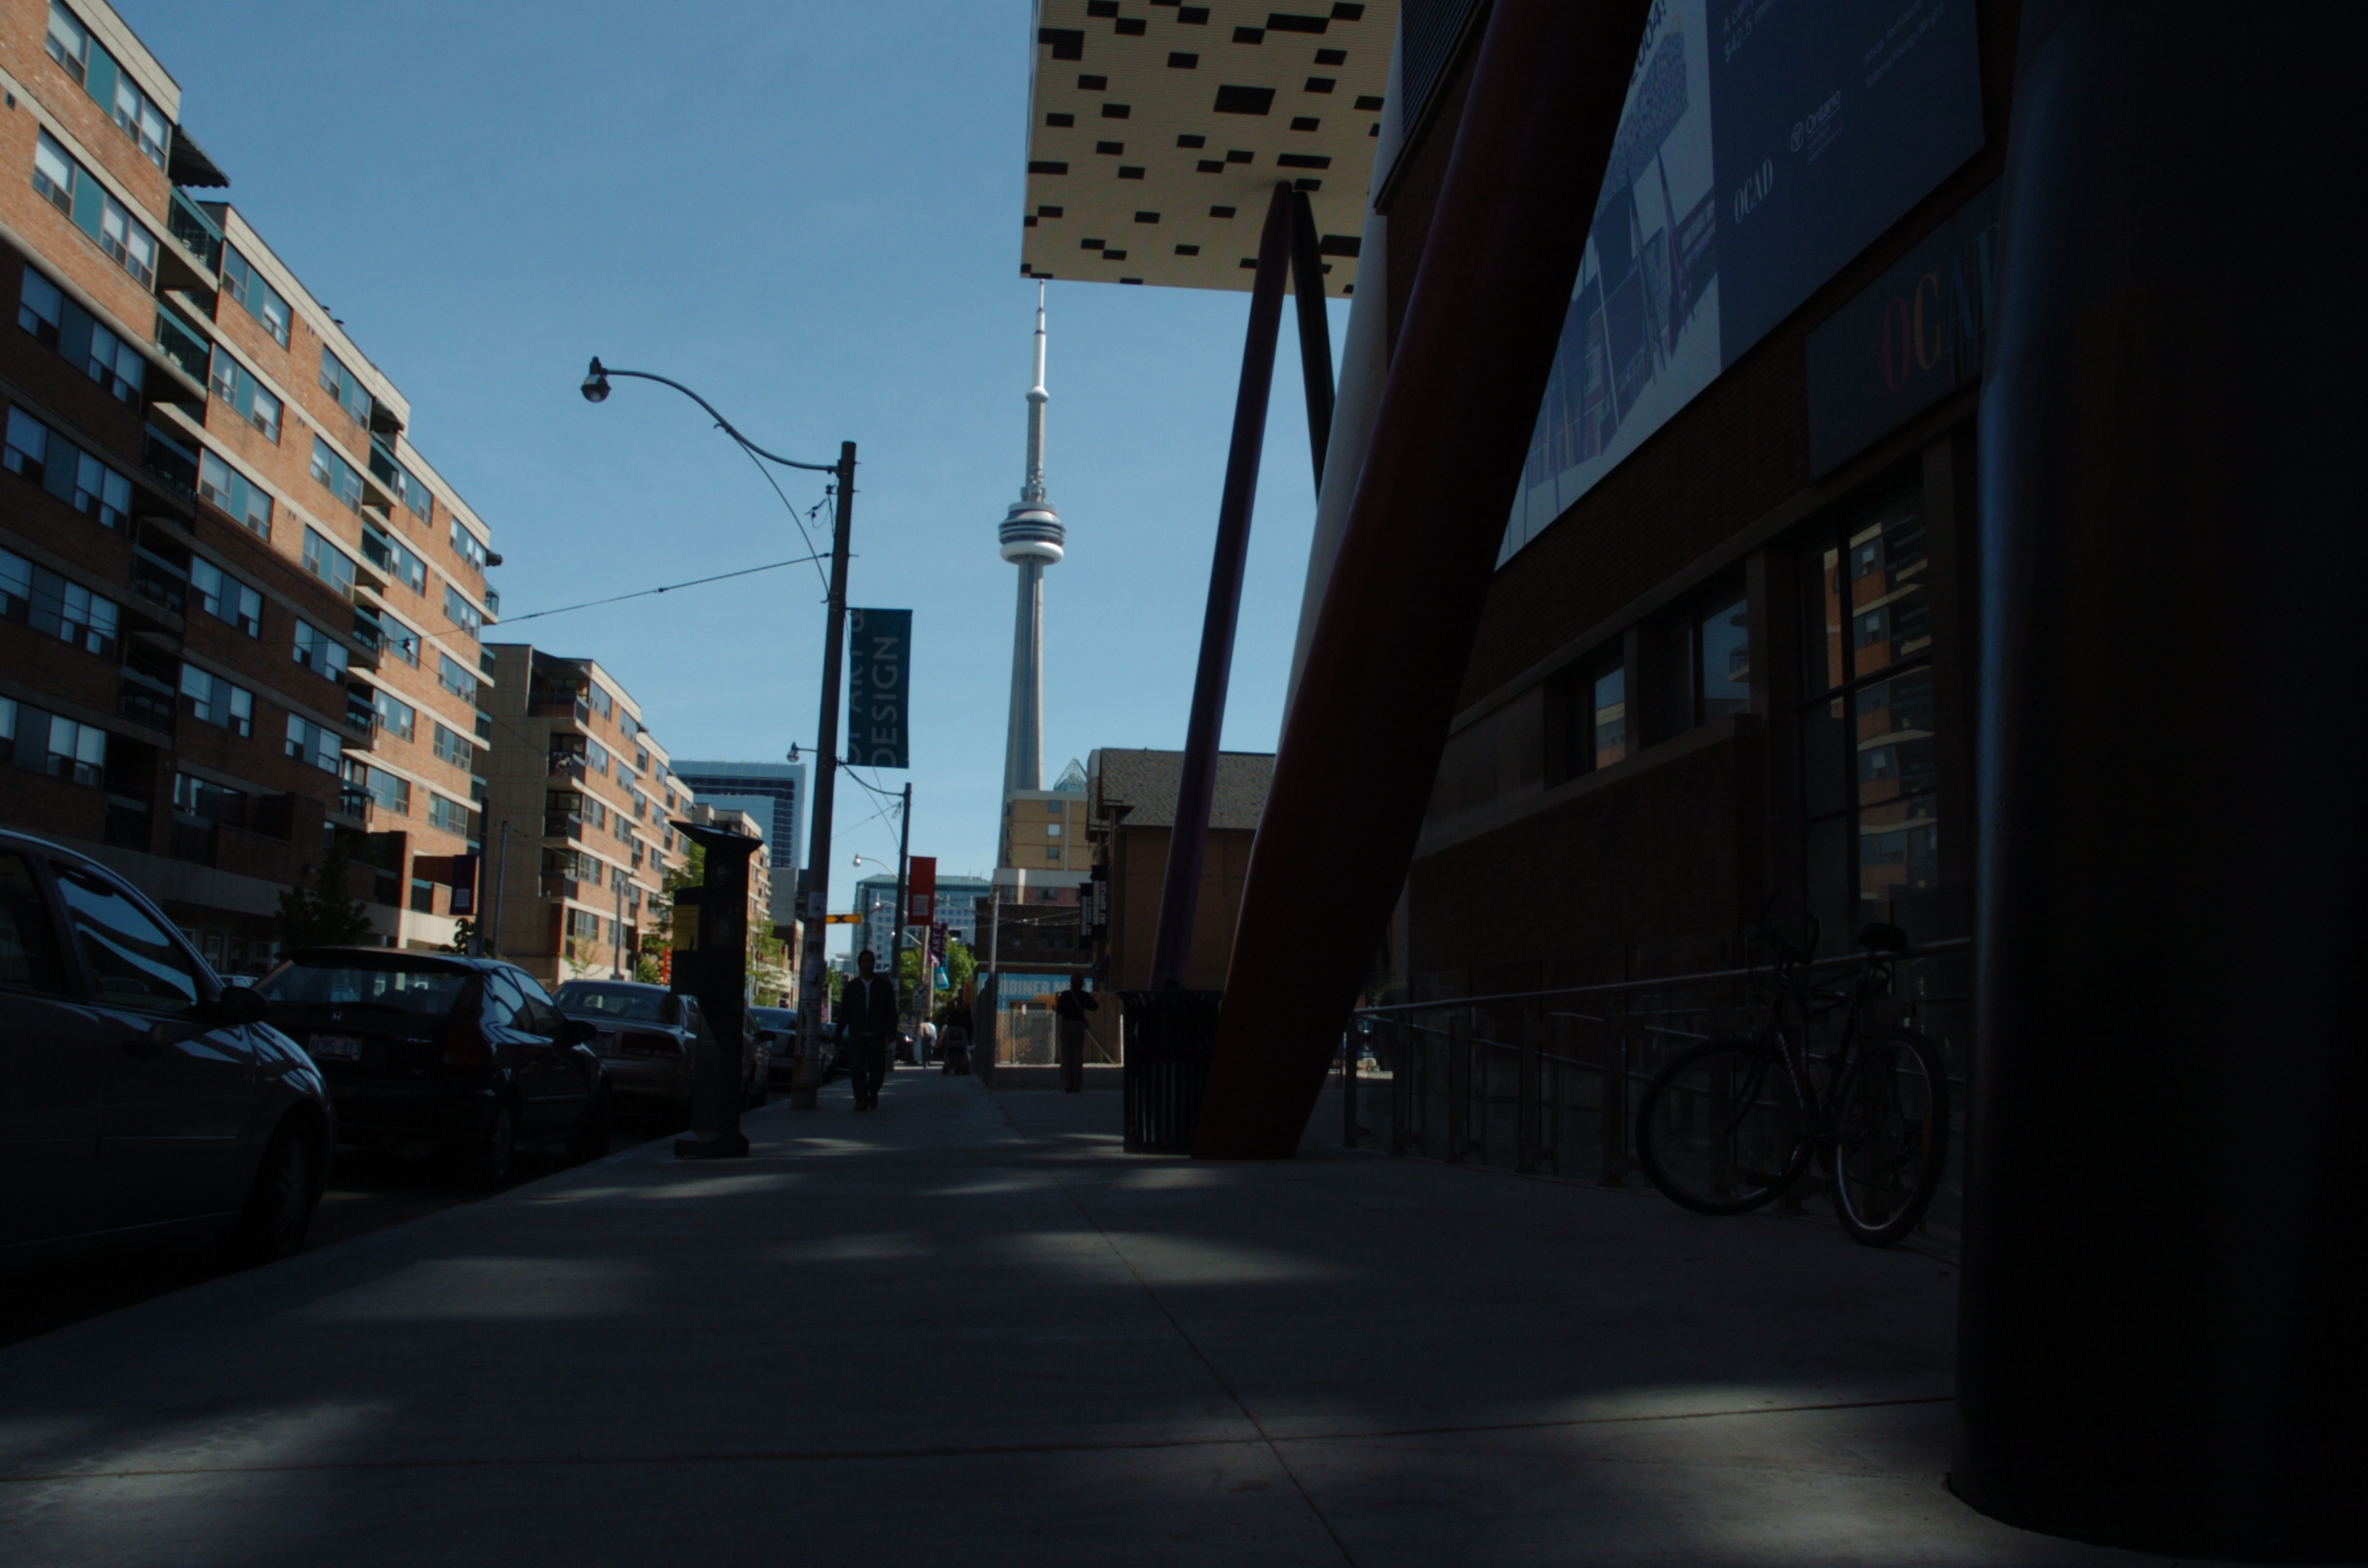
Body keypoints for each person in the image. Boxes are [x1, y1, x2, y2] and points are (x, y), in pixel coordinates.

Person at [839, 948, 897, 1111]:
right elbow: (844, 1012)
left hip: (877, 1034)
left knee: (878, 1069)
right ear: (859, 964)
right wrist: (838, 1034)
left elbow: (891, 1010)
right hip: (857, 1034)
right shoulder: (852, 986)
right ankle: (861, 1099)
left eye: (870, 961)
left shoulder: (883, 985)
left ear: (874, 963)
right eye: (864, 961)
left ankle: (873, 1091)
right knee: (857, 1068)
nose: (867, 963)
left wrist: (892, 1030)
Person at [1054, 972, 1098, 1093]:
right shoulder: (1084, 995)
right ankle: (1077, 1085)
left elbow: (1059, 1010)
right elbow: (1095, 1006)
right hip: (1078, 1025)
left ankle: (1067, 1085)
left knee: (1066, 1056)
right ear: (1082, 983)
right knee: (1077, 1056)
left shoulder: (1065, 995)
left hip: (1066, 1025)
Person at [939, 997, 974, 1077]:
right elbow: (949, 1025)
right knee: (951, 1049)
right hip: (953, 1035)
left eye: (962, 1005)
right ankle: (951, 1064)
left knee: (964, 1050)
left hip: (964, 1036)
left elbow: (970, 1026)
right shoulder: (953, 1015)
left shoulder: (967, 1014)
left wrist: (970, 1037)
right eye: (959, 1005)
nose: (961, 1007)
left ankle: (962, 1065)